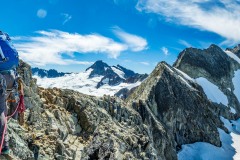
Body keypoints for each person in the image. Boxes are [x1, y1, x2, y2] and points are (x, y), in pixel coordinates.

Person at [0, 30, 20, 155]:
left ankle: (4, 145)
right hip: (10, 76)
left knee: (0, 109)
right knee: (2, 107)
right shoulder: (4, 36)